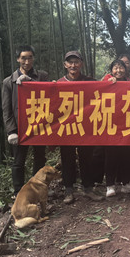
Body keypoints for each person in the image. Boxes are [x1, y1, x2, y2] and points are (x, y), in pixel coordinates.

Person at [2, 45, 49, 196]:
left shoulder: (42, 76)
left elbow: (50, 95)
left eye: (30, 58)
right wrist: (11, 131)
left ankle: (37, 188)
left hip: (39, 125)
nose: (27, 62)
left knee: (40, 158)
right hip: (20, 127)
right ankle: (19, 192)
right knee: (18, 161)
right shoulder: (9, 82)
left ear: (34, 58)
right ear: (18, 59)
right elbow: (6, 109)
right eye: (23, 58)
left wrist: (32, 82)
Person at [57, 50, 103, 204]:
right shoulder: (59, 84)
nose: (73, 65)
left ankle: (88, 188)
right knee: (67, 159)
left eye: (76, 62)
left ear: (81, 64)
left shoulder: (89, 81)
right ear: (65, 65)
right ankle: (68, 190)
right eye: (70, 62)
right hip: (66, 128)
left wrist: (112, 82)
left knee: (87, 158)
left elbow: (104, 89)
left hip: (85, 127)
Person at [103, 59, 130, 199]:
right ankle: (110, 184)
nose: (118, 71)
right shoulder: (106, 81)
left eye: (121, 68)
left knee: (127, 155)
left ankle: (126, 182)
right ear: (111, 70)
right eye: (115, 68)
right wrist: (107, 83)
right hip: (111, 125)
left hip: (128, 124)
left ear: (126, 70)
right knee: (111, 155)